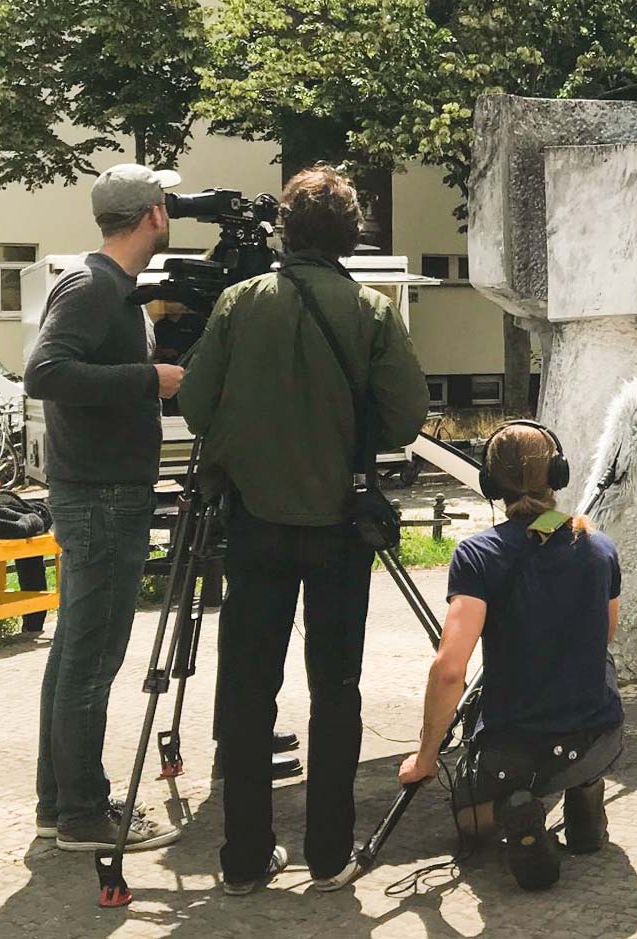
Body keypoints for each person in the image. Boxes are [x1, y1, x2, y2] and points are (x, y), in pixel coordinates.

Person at [179, 165, 429, 896]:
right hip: (340, 524)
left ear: (284, 229)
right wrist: (348, 439)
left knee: (248, 688)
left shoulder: (237, 302)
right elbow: (406, 416)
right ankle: (327, 852)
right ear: (351, 236)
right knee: (337, 687)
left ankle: (245, 857)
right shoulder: (370, 311)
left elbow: (196, 406)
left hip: (253, 521)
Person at [26, 163, 185, 852]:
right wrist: (148, 378)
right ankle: (86, 816)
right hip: (101, 494)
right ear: (153, 214)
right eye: (167, 202)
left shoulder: (113, 290)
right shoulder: (92, 287)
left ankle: (58, 801)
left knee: (74, 652)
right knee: (92, 659)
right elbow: (45, 372)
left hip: (97, 490)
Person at [398, 423, 623, 892]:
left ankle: (515, 810)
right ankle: (585, 791)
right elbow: (605, 635)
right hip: (598, 736)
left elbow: (449, 670)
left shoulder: (478, 556)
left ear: (490, 484)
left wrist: (425, 756)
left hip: (515, 751)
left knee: (470, 823)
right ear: (557, 474)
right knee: (603, 672)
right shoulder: (600, 548)